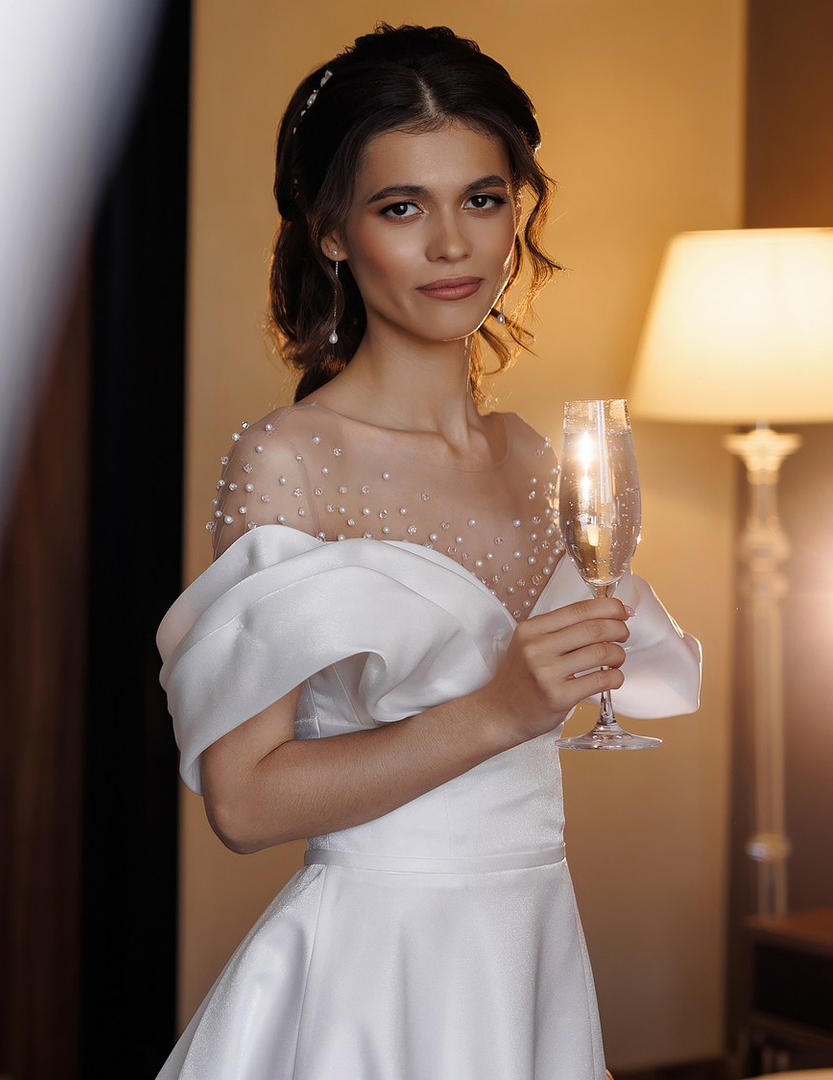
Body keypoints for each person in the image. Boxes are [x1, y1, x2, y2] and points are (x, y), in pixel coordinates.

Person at [153, 25, 702, 1080]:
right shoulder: (288, 460)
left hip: (530, 944)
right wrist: (499, 711)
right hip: (378, 973)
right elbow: (244, 803)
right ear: (332, 232)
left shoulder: (535, 458)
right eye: (402, 207)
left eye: (482, 199)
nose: (453, 245)